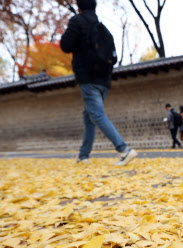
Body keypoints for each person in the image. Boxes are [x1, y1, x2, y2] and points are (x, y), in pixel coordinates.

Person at [60, 0, 137, 166]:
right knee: (89, 116)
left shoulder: (77, 22)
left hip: (88, 78)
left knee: (96, 115)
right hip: (105, 80)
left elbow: (65, 46)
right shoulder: (103, 28)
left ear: (79, 8)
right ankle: (83, 156)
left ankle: (124, 149)